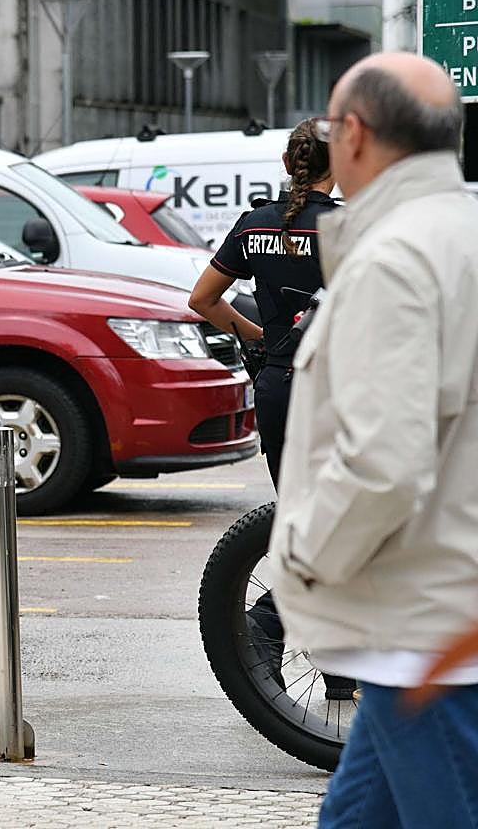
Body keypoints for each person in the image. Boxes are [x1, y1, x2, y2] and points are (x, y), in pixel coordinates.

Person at [268, 53, 478, 826]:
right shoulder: (465, 234)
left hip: (423, 626)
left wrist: (300, 559)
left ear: (352, 133)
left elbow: (382, 465)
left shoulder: (394, 260)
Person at [188, 120, 353, 701]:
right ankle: (266, 622)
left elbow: (202, 299)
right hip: (333, 389)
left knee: (304, 518)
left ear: (289, 163)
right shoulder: (342, 228)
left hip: (279, 388)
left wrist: (262, 340)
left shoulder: (255, 222)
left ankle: (336, 667)